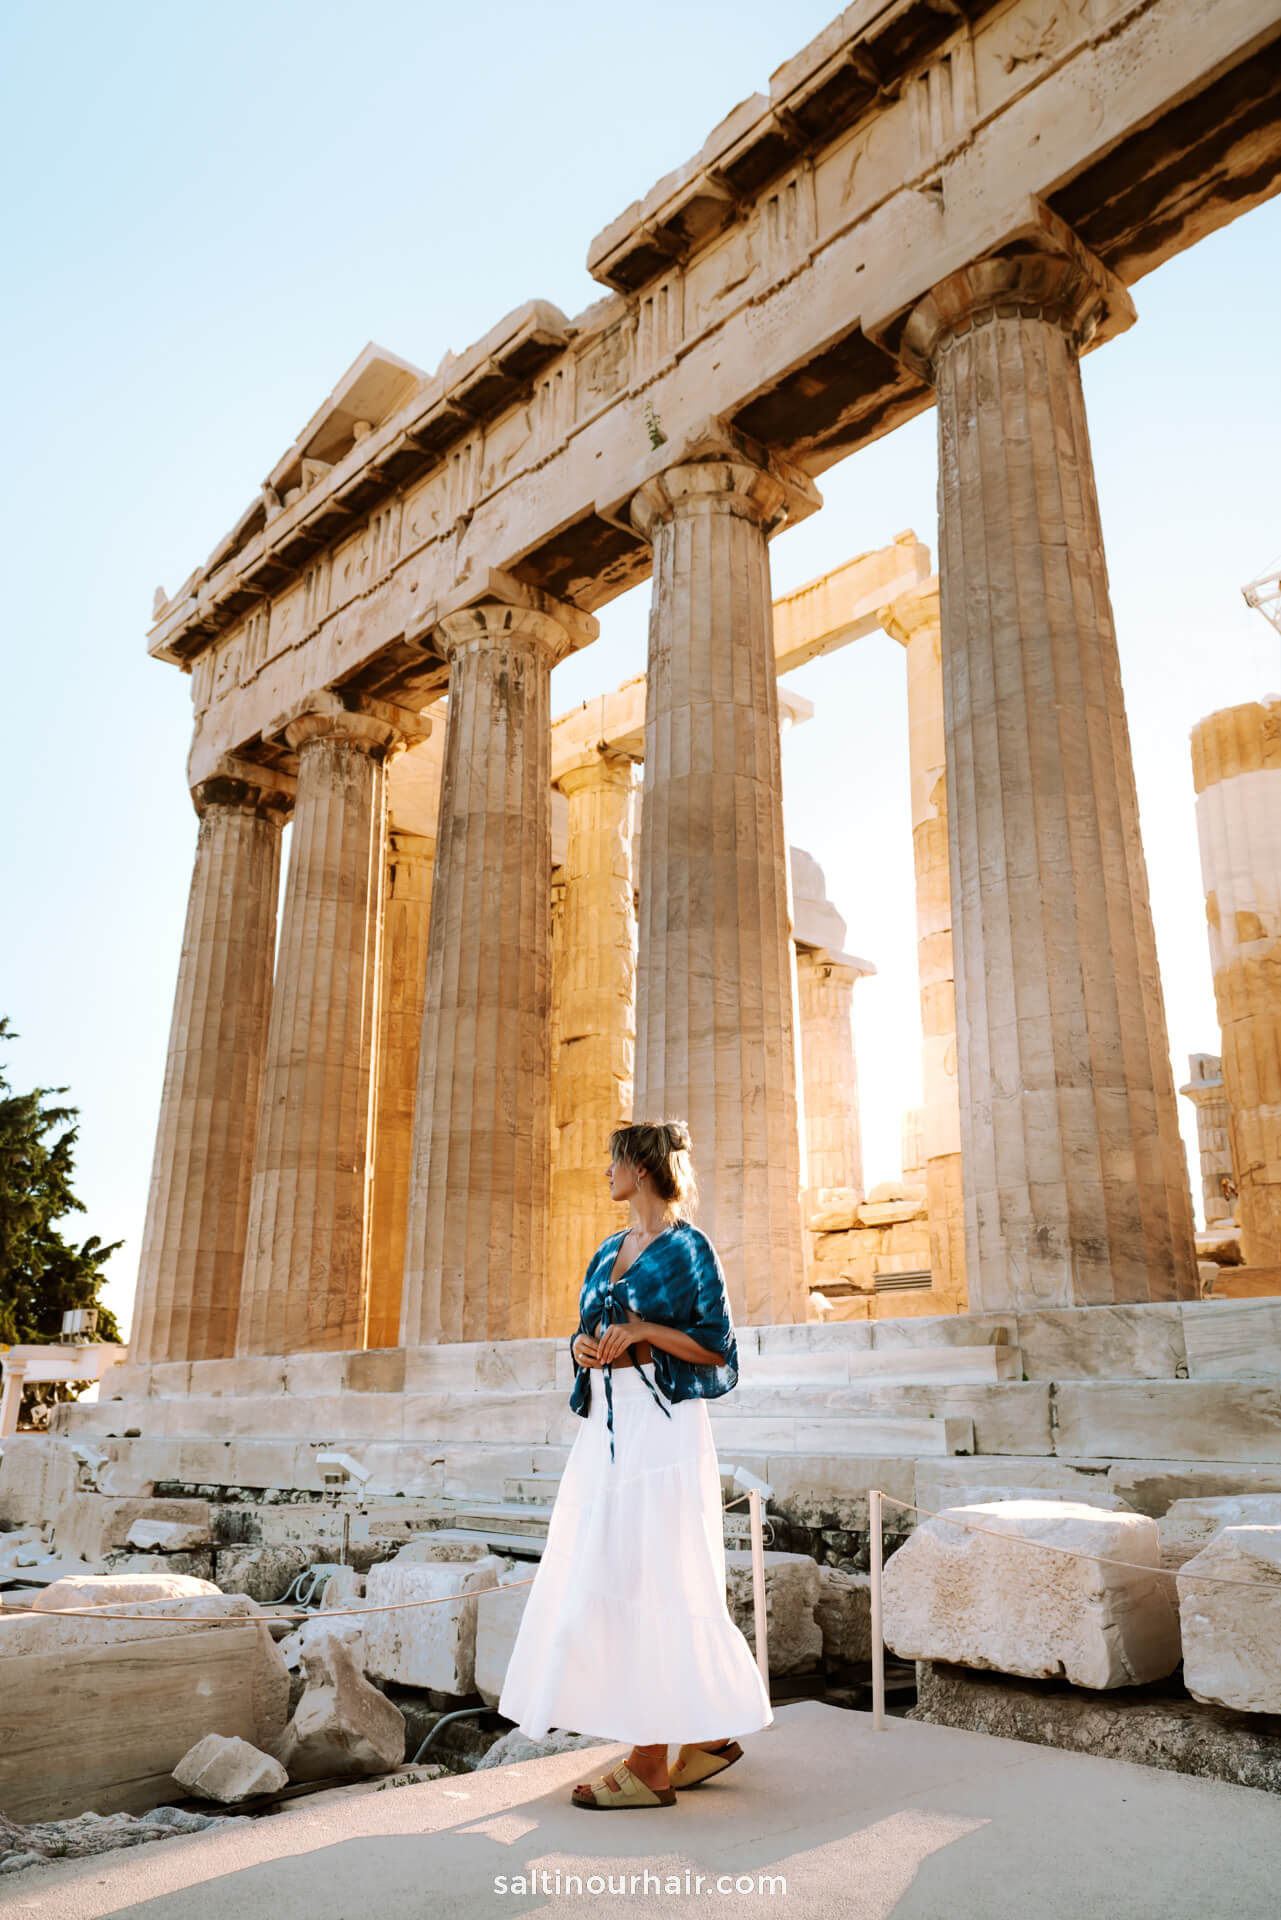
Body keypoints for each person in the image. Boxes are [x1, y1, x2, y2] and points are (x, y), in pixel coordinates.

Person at [497, 1119, 773, 1810]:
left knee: (653, 1569)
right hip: (608, 1428)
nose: (605, 1173)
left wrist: (644, 1331)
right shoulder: (605, 1249)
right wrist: (585, 1348)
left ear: (642, 1169)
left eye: (613, 1161)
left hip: (662, 1428)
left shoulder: (688, 1247)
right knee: (606, 1564)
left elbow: (718, 1349)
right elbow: (585, 1327)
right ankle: (709, 1731)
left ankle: (651, 1760)